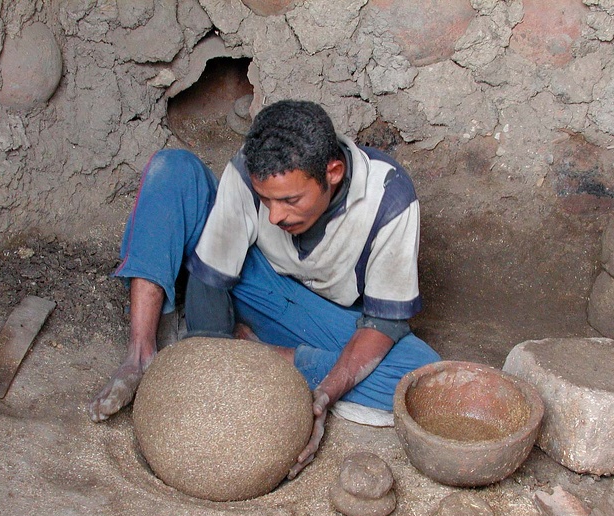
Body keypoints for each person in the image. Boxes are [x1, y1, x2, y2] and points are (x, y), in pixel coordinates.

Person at [88, 100, 440, 478]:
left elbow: (385, 323)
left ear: (333, 172)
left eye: (290, 200)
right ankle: (141, 355)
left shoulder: (390, 197)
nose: (274, 216)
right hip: (251, 280)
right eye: (265, 199)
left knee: (419, 377)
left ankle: (265, 354)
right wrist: (207, 360)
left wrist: (323, 396)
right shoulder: (248, 167)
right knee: (172, 170)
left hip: (320, 317)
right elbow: (212, 274)